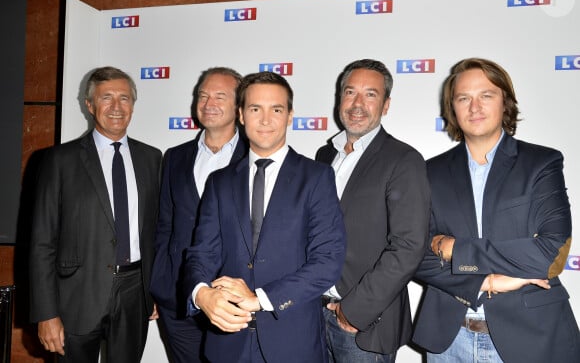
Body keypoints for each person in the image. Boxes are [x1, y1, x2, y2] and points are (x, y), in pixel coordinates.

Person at [413, 57, 580, 362]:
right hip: (449, 343)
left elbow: (550, 253)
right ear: (453, 108)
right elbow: (416, 255)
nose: (474, 107)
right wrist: (487, 281)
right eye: (464, 98)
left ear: (505, 102)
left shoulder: (541, 164)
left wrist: (454, 250)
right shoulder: (429, 172)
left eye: (486, 95)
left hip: (530, 338)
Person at [182, 71, 346, 362]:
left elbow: (327, 262)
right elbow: (201, 253)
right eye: (256, 109)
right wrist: (201, 294)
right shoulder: (220, 182)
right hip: (227, 342)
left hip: (292, 341)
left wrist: (260, 299)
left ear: (290, 115)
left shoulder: (317, 177)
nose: (266, 119)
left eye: (277, 109)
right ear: (242, 115)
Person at [29, 66, 162, 363]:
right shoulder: (58, 161)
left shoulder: (152, 158)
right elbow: (41, 242)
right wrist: (46, 313)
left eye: (124, 98)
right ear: (90, 105)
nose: (116, 107)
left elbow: (155, 232)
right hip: (75, 295)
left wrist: (152, 290)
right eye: (107, 98)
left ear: (133, 105)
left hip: (134, 292)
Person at [315, 59, 431, 362]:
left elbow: (408, 246)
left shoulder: (403, 160)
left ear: (386, 104)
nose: (357, 103)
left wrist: (353, 312)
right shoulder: (324, 155)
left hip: (363, 325)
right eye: (350, 92)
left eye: (370, 94)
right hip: (313, 315)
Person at [149, 67, 247, 362]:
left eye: (220, 96)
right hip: (177, 299)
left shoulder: (256, 156)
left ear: (239, 106)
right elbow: (164, 225)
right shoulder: (175, 156)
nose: (208, 103)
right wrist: (158, 285)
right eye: (202, 95)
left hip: (233, 302)